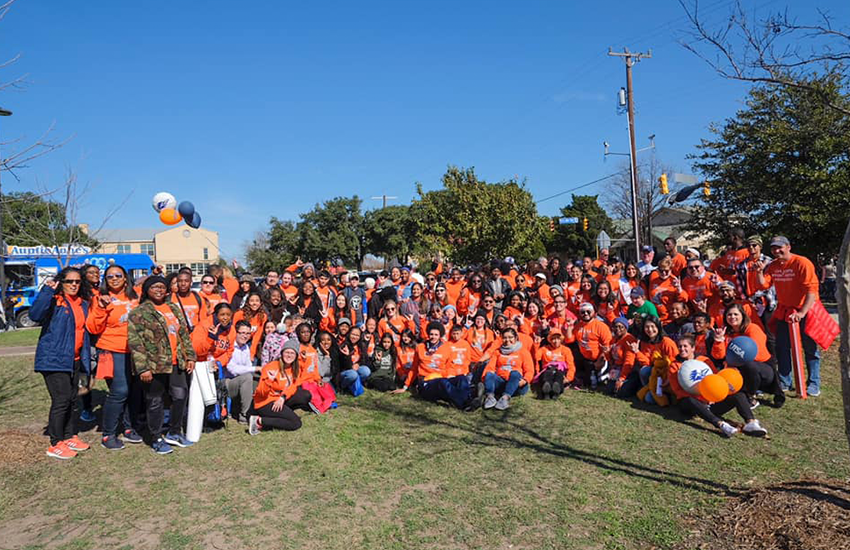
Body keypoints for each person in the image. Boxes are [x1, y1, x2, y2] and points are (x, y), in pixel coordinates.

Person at [127, 276, 197, 454]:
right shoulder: (139, 312)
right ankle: (156, 437)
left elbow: (184, 334)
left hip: (176, 362)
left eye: (162, 287)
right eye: (154, 287)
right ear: (147, 290)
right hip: (154, 364)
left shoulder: (173, 307)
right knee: (155, 401)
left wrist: (190, 356)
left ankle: (174, 432)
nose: (158, 290)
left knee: (180, 396)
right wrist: (142, 368)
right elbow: (135, 342)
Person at [30, 267, 93, 459]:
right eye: (69, 281)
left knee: (73, 399)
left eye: (77, 282)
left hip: (73, 359)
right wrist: (48, 291)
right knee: (61, 400)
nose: (73, 285)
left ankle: (69, 436)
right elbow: (35, 315)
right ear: (61, 283)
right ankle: (55, 443)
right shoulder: (55, 301)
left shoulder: (82, 304)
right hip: (53, 359)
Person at [755, 236, 821, 396]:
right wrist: (759, 272)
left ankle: (814, 383)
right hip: (785, 310)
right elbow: (763, 285)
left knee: (810, 347)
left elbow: (811, 290)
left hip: (806, 310)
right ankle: (785, 380)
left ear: (788, 247)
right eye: (773, 248)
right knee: (782, 347)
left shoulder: (802, 263)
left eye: (780, 247)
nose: (776, 251)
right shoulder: (773, 266)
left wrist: (802, 313)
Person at [85, 264, 142, 450]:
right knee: (119, 391)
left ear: (125, 278)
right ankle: (108, 434)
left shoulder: (135, 296)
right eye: (110, 276)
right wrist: (101, 308)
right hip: (111, 349)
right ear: (105, 280)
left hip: (134, 351)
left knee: (132, 391)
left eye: (118, 275)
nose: (115, 279)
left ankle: (128, 428)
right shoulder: (100, 299)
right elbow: (93, 327)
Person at [670, 335, 767, 437]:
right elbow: (677, 390)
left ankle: (751, 423)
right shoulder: (674, 366)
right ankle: (721, 425)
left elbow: (716, 378)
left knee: (738, 394)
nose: (682, 349)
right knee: (688, 400)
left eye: (685, 346)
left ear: (693, 348)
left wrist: (725, 387)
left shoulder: (704, 360)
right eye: (680, 346)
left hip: (711, 402)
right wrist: (700, 398)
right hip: (692, 405)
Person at [710, 304, 784, 408]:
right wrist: (719, 340)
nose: (732, 317)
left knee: (749, 365)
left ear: (742, 316)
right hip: (737, 369)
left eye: (736, 314)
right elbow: (719, 356)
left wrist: (733, 361)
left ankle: (750, 396)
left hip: (763, 369)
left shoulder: (752, 329)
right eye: (729, 315)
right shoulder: (726, 333)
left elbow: (757, 354)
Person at [248, 339, 314, 435]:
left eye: (292, 353)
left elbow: (294, 385)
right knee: (296, 423)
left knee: (304, 395)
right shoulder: (271, 367)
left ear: (296, 356)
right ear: (282, 353)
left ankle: (282, 414)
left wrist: (283, 397)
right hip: (265, 402)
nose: (289, 355)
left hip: (279, 398)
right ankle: (259, 420)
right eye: (287, 352)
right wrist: (268, 381)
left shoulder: (294, 368)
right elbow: (261, 393)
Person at [413, 322, 473, 409]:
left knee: (461, 378)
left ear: (440, 335)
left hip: (441, 378)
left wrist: (450, 376)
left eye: (436, 335)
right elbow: (414, 367)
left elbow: (448, 366)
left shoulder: (445, 347)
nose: (433, 337)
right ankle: (463, 404)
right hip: (426, 382)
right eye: (431, 334)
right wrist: (406, 386)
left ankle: (468, 399)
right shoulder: (420, 347)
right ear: (428, 334)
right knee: (442, 382)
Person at [480, 327, 534, 410]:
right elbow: (489, 367)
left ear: (515, 338)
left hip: (517, 384)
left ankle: (505, 398)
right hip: (501, 381)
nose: (507, 340)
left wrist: (525, 380)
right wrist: (486, 379)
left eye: (510, 337)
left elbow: (529, 370)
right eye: (505, 337)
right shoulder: (497, 352)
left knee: (515, 373)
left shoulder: (523, 352)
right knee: (489, 374)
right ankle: (490, 397)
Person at [565, 302, 612, 389]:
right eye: (583, 312)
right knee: (588, 382)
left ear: (594, 313)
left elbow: (607, 346)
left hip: (600, 358)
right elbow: (569, 340)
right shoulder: (578, 326)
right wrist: (569, 326)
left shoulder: (601, 326)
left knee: (597, 382)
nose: (585, 314)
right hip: (585, 358)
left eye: (588, 311)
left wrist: (600, 360)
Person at [223, 320, 263, 423]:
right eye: (242, 333)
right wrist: (255, 368)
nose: (245, 336)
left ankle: (259, 408)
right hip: (227, 383)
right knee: (248, 377)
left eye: (248, 333)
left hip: (240, 381)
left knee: (258, 378)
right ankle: (245, 414)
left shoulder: (245, 347)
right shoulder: (229, 346)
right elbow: (232, 369)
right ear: (236, 333)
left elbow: (248, 367)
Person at [534, 328, 575, 399]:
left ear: (561, 339)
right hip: (547, 369)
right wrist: (537, 344)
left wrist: (569, 378)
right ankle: (546, 391)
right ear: (549, 340)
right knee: (547, 375)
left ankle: (556, 391)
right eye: (553, 339)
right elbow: (536, 357)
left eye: (558, 338)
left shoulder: (566, 350)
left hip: (560, 370)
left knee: (559, 376)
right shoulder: (544, 349)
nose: (556, 341)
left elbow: (571, 365)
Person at [338, 326, 372, 393]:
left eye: (357, 335)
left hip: (355, 369)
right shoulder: (343, 346)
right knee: (353, 374)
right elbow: (341, 365)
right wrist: (347, 356)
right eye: (353, 334)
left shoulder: (361, 346)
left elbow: (365, 361)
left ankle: (354, 385)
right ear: (349, 334)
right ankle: (343, 387)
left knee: (366, 371)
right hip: (345, 371)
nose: (354, 337)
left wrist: (358, 364)